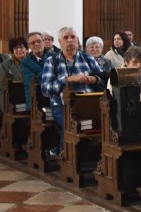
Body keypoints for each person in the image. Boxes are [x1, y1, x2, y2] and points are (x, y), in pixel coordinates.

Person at [41, 27, 107, 158]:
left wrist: (92, 79)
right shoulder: (52, 61)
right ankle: (66, 156)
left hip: (90, 104)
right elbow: (46, 89)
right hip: (62, 106)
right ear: (60, 42)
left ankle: (97, 157)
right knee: (70, 125)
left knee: (109, 124)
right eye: (66, 38)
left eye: (73, 37)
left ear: (77, 40)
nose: (70, 40)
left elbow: (104, 80)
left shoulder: (87, 57)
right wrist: (67, 79)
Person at [0, 37, 27, 112]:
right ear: (12, 51)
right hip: (11, 96)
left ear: (26, 49)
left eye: (21, 47)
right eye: (15, 48)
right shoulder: (6, 65)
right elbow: (2, 84)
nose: (19, 50)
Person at [21, 32, 47, 111]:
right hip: (36, 98)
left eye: (39, 41)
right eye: (32, 43)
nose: (36, 44)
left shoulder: (54, 57)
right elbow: (30, 81)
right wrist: (49, 76)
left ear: (43, 42)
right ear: (29, 46)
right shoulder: (25, 62)